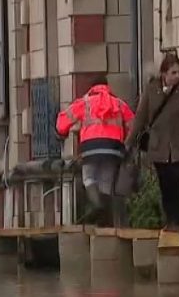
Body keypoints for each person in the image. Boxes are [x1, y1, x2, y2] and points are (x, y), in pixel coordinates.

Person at [125, 53, 179, 232]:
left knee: (177, 183)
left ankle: (178, 223)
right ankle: (171, 221)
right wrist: (128, 142)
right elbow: (140, 118)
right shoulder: (152, 89)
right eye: (173, 72)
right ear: (164, 74)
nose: (177, 76)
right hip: (159, 147)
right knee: (165, 186)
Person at [56, 75, 135, 227]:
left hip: (90, 148)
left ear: (92, 87)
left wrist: (62, 132)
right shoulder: (118, 103)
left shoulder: (85, 102)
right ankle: (104, 220)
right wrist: (127, 144)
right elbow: (133, 123)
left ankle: (98, 206)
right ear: (107, 86)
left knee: (88, 178)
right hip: (113, 148)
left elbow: (63, 120)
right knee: (106, 183)